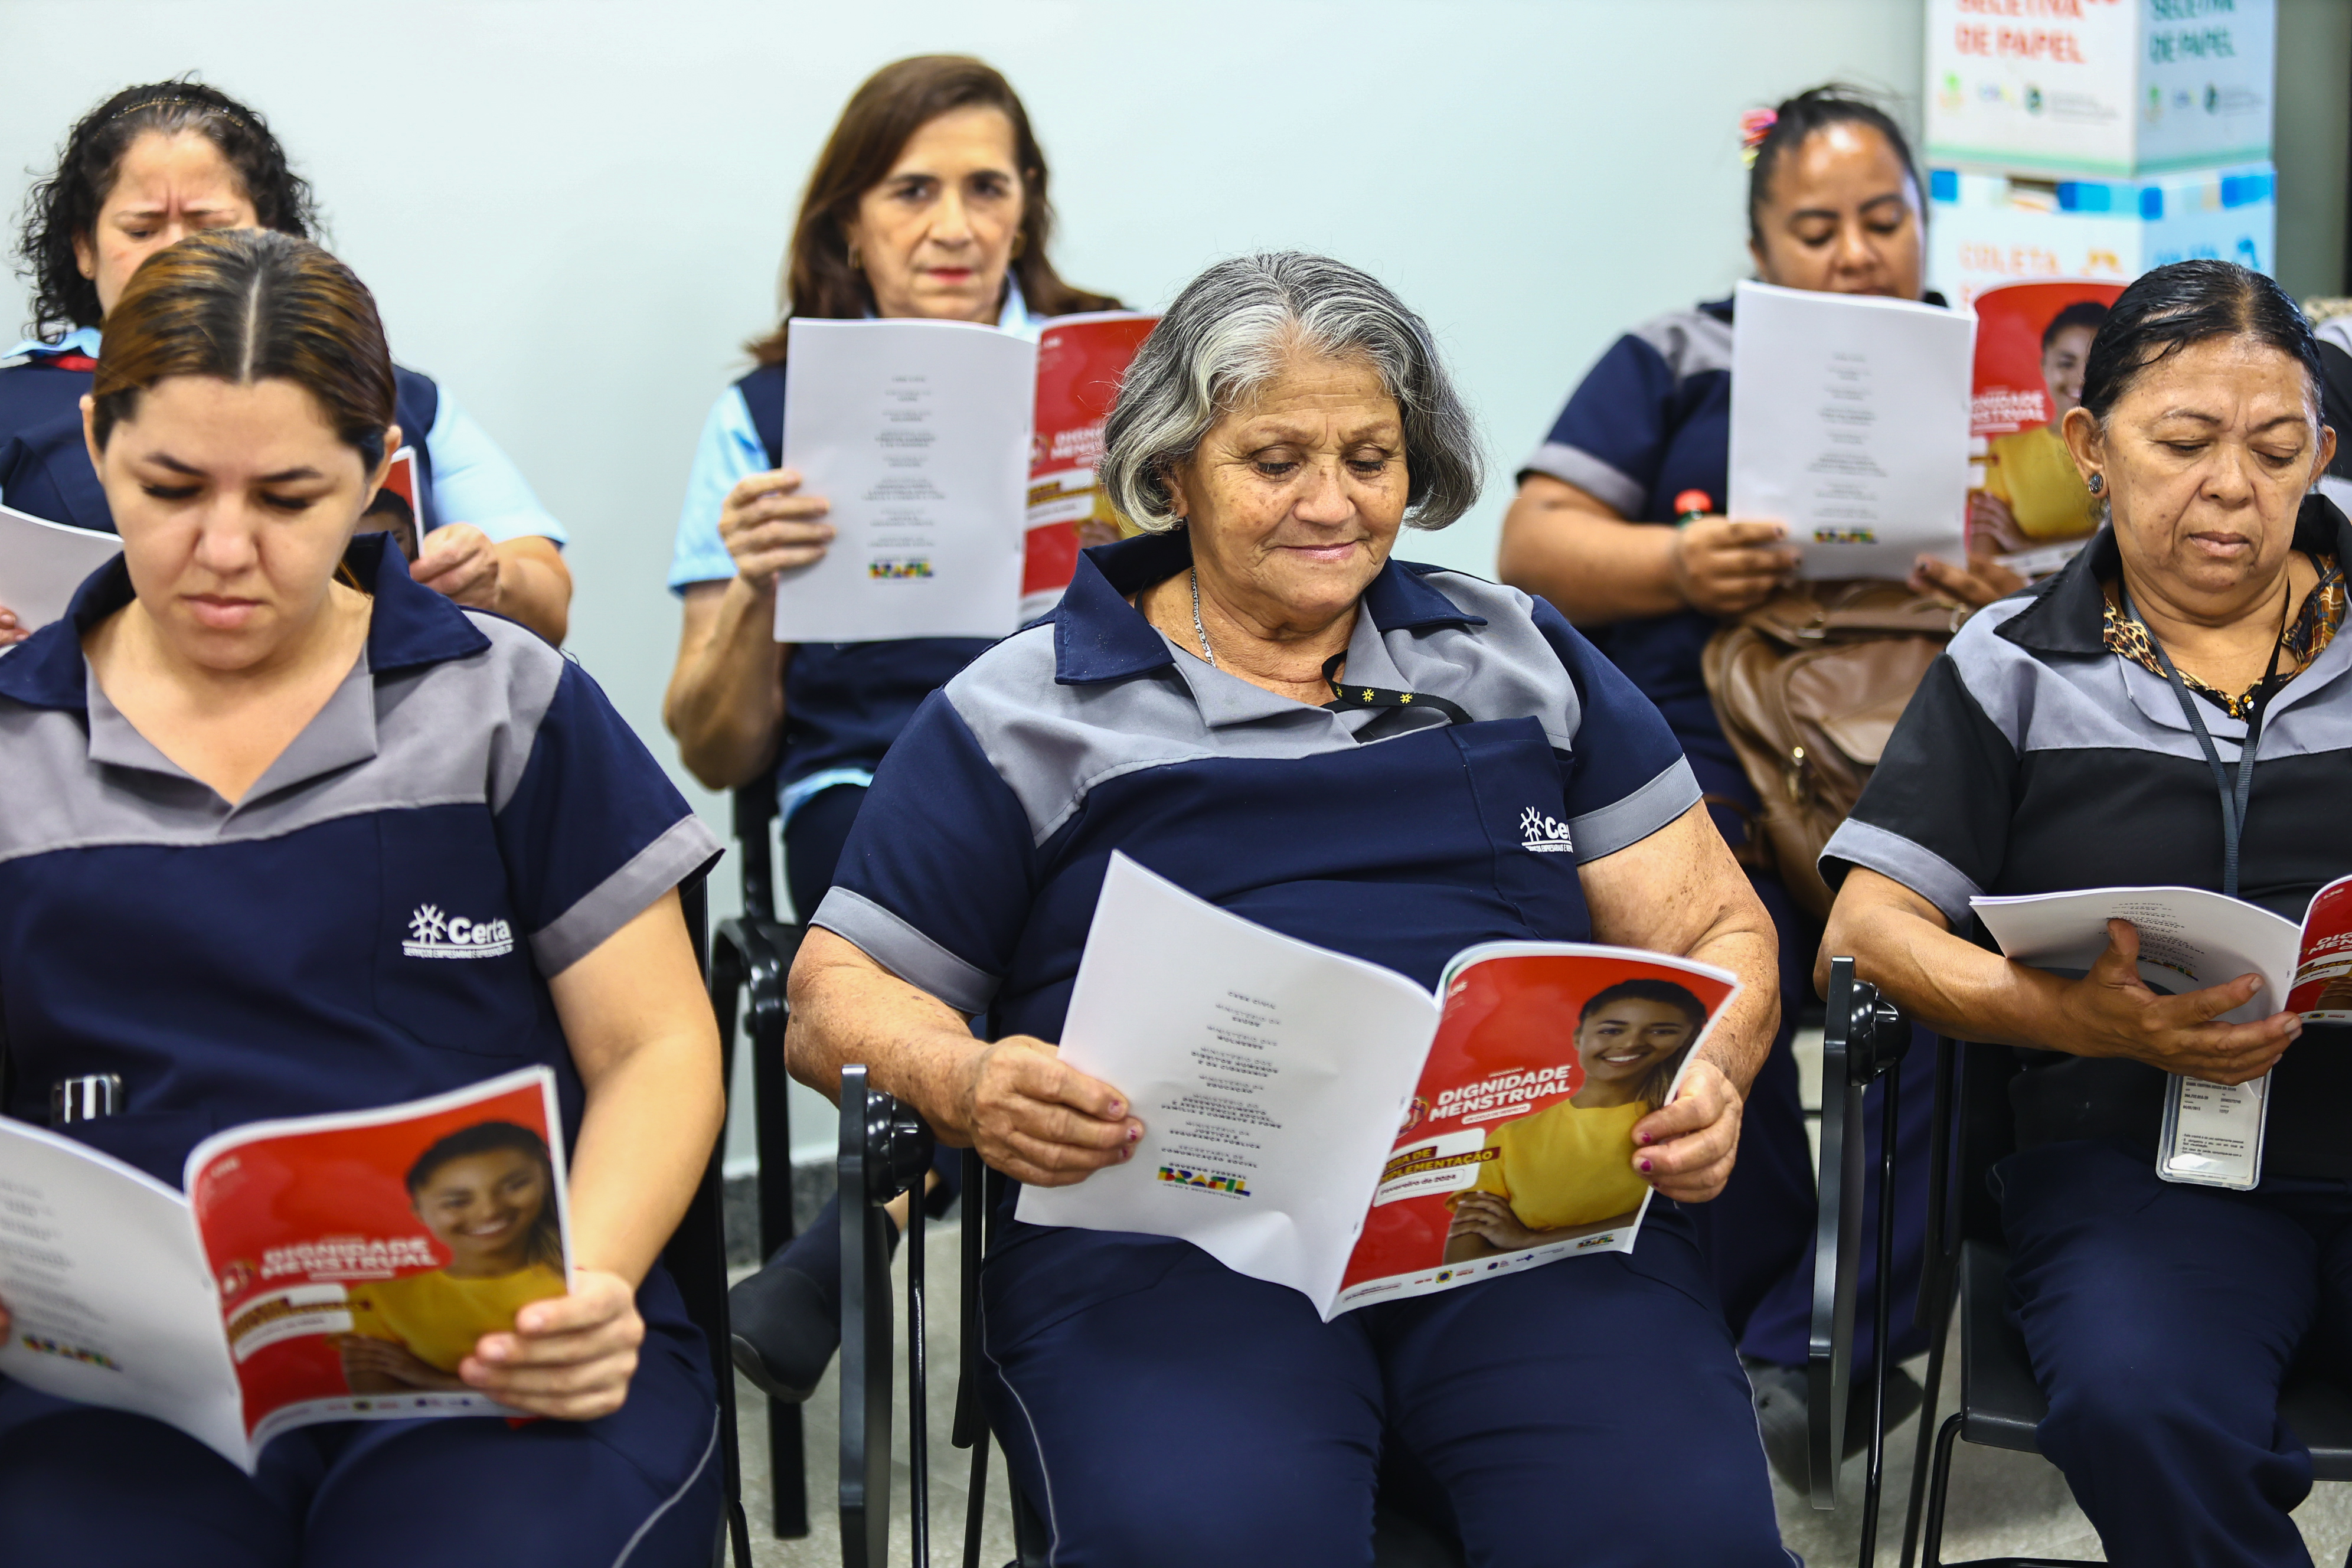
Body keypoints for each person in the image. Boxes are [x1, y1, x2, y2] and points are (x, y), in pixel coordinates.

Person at [783, 251, 1789, 1565]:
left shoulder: (1519, 656)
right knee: (1216, 1537)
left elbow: (1718, 930)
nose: (1332, 504)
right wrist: (966, 1083)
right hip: (1170, 1237)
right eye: (1274, 462)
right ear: (1172, 471)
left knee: (1671, 1532)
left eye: (1371, 458)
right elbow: (833, 996)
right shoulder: (1021, 710)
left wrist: (1712, 1067)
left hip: (1519, 1215)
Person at [0, 229, 726, 1566]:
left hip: (488, 1355)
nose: (226, 549)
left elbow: (656, 1045)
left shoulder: (500, 701)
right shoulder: (13, 742)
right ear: (99, 444)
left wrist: (593, 1283)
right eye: (171, 488)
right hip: (113, 1394)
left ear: (380, 472)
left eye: (289, 497)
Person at [1494, 84, 1996, 1473]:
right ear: (1762, 243)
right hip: (1706, 737)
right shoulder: (1677, 353)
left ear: (1924, 221)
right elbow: (1532, 542)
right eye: (1816, 230)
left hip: (1926, 743)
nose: (1855, 254)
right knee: (1714, 957)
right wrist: (1676, 561)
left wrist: (2005, 583)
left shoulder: (1992, 371)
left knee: (1938, 961)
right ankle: (1762, 1312)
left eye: (1883, 220)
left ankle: (1830, 1342)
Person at [1821, 259, 2348, 1568]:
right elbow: (1865, 932)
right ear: (2088, 448)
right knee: (2139, 1403)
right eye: (2182, 442)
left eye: (2274, 449)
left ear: (2321, 458)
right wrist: (2069, 1017)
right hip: (2138, 1163)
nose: (2231, 485)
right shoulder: (2009, 664)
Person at [659, 54, 1119, 1404]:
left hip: (1103, 757)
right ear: (847, 223)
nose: (954, 226)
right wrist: (758, 587)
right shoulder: (763, 417)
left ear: (1028, 206)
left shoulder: (1120, 371)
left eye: (988, 188)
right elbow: (713, 748)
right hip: (873, 780)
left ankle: (847, 1237)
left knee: (1120, 885)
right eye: (912, 191)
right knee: (963, 900)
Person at [0, 80, 573, 646]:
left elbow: (546, 595)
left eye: (211, 226)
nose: (178, 252)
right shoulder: (12, 401)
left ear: (271, 234)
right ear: (84, 247)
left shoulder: (402, 398)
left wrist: (494, 580)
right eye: (142, 228)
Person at [1445, 978, 1706, 1259]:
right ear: (1579, 1037)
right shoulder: (1509, 1136)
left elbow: (1660, 1222)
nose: (1631, 1043)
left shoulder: (1677, 1120)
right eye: (1611, 1030)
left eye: (1661, 1031)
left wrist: (1531, 1241)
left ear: (1688, 1040)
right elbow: (1461, 1261)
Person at [338, 1123, 568, 1393]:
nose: (489, 1211)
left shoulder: (577, 1273)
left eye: (515, 1186)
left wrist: (437, 1381)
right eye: (457, 1202)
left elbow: (575, 1386)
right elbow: (378, 1404)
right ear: (419, 1213)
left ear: (546, 1180)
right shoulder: (377, 1301)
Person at [1974, 299, 2109, 550]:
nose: (2081, 378)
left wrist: (2028, 546)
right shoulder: (2005, 453)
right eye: (2066, 363)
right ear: (2044, 366)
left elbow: (2130, 544)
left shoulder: (2129, 448)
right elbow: (1984, 560)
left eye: (2096, 364)